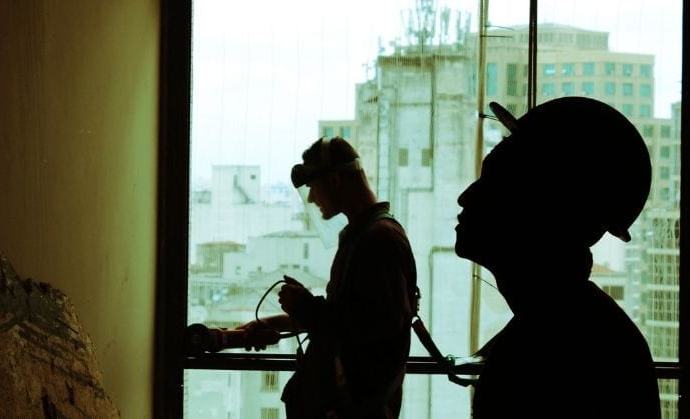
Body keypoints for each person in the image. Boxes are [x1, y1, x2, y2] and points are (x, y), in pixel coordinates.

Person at [455, 97, 660, 418]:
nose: (466, 196)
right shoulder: (587, 337)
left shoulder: (549, 352)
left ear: (542, 208)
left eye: (495, 181)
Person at [240, 136, 418, 419]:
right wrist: (276, 323)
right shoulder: (364, 235)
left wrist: (307, 307)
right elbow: (346, 317)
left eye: (312, 187)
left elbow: (378, 325)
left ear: (334, 180)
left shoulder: (379, 239)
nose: (311, 198)